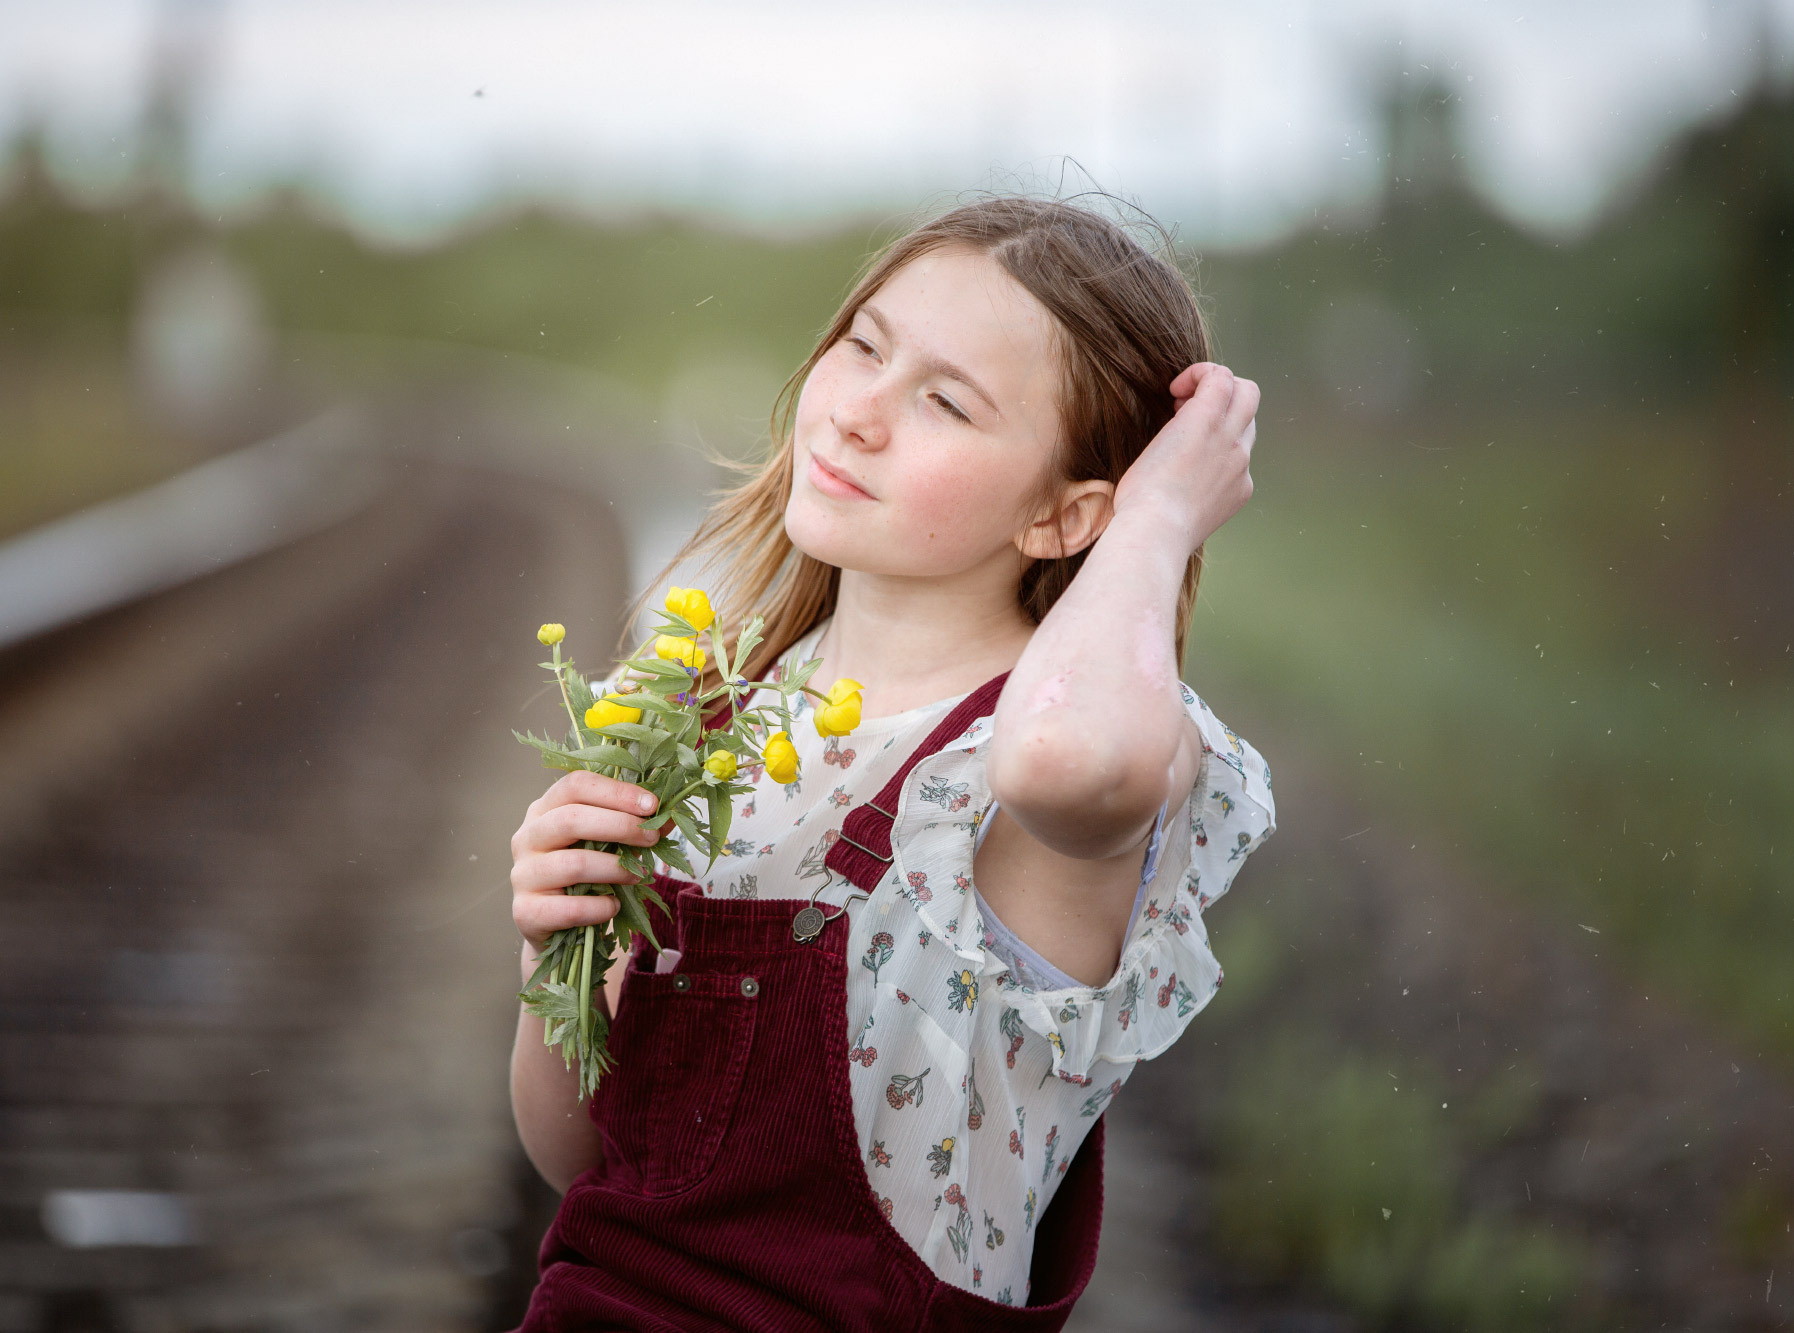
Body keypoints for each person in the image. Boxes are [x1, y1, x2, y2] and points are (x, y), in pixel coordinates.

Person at [506, 195, 1277, 1331]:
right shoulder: (692, 713)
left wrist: (1159, 520)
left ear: (1064, 517)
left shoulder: (1040, 756)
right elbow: (577, 1154)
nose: (858, 412)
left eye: (943, 403)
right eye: (865, 345)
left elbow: (1065, 762)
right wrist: (552, 955)